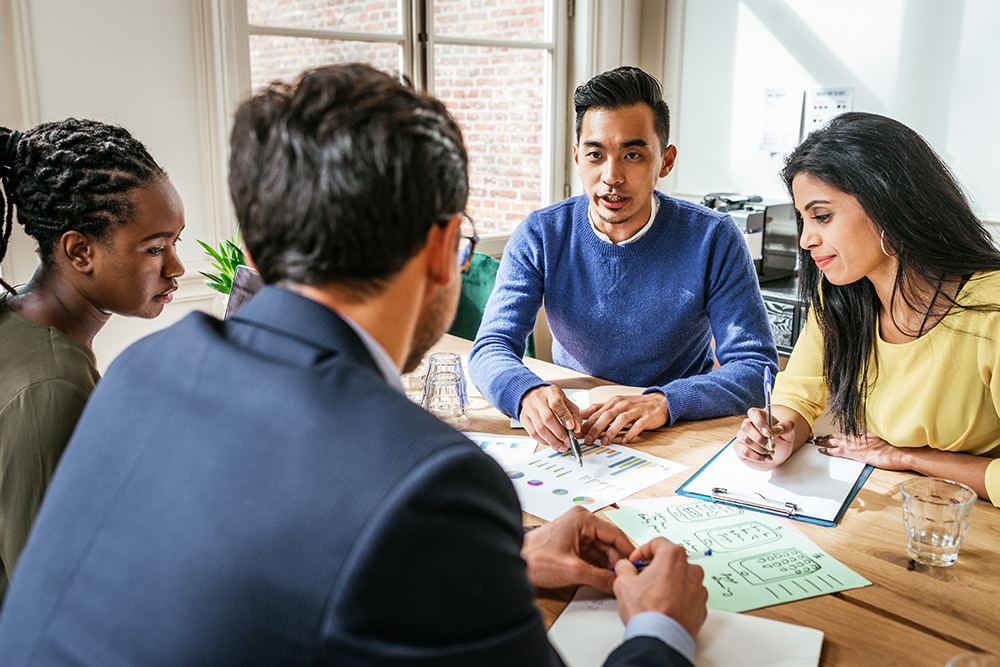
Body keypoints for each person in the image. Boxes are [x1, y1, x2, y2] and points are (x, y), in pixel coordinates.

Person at [0, 64, 707, 665]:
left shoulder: (143, 371)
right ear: (439, 251)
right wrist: (659, 626)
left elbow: (266, 561)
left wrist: (501, 564)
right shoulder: (432, 482)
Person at [468, 66, 778, 452]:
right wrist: (526, 392)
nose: (611, 175)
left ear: (665, 161)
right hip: (577, 426)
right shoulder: (541, 234)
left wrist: (663, 401)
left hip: (678, 425)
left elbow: (755, 367)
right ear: (578, 158)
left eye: (632, 154)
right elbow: (490, 346)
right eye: (596, 155)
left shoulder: (713, 237)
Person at [735, 112, 1000, 507]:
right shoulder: (841, 295)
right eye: (803, 219)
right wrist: (781, 429)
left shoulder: (990, 309)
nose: (807, 239)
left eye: (822, 216)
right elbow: (800, 392)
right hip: (892, 503)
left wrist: (907, 457)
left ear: (888, 203)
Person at [0, 119, 185, 598]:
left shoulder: (17, 322)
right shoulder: (51, 388)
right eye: (155, 248)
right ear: (80, 251)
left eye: (175, 243)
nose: (176, 268)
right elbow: (49, 602)